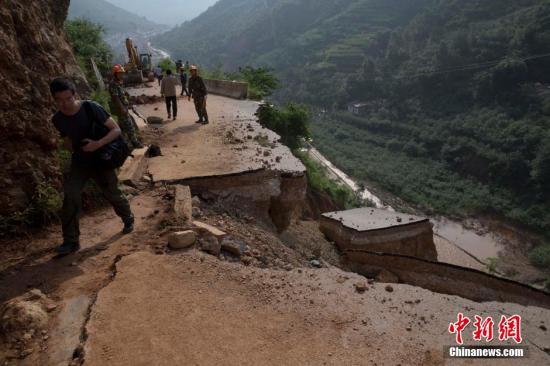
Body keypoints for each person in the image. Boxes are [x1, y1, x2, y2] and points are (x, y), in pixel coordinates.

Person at [49, 78, 135, 255]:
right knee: (71, 194)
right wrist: (70, 146)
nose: (65, 104)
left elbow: (116, 129)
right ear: (54, 100)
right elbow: (67, 138)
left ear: (74, 95)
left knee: (112, 192)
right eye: (59, 100)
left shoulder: (90, 107)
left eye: (68, 99)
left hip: (101, 158)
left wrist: (97, 143)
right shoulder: (57, 119)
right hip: (80, 161)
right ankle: (71, 241)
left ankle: (128, 217)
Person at [108, 65, 143, 149]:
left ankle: (123, 143)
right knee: (130, 126)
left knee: (122, 127)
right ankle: (135, 143)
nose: (122, 75)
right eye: (120, 73)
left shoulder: (119, 83)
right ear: (115, 74)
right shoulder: (113, 84)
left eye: (122, 73)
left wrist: (126, 94)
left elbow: (121, 94)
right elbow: (116, 98)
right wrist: (122, 108)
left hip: (123, 108)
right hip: (122, 110)